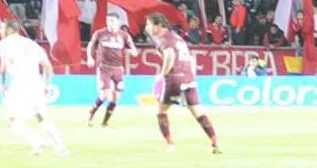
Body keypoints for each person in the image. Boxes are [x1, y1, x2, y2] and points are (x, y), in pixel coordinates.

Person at [146, 13, 220, 153]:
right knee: (198, 113)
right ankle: (215, 143)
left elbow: (170, 55)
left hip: (174, 78)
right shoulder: (177, 37)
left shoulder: (164, 39)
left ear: (158, 25)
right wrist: (192, 75)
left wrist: (161, 75)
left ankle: (170, 145)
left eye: (149, 24)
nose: (147, 27)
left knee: (160, 111)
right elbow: (191, 58)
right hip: (188, 78)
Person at [0, 20, 69, 156]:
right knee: (40, 116)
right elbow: (47, 66)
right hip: (36, 82)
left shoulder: (3, 44)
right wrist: (46, 85)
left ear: (10, 29)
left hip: (19, 83)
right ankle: (61, 148)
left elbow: (3, 67)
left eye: (1, 28)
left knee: (11, 119)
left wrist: (2, 85)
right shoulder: (32, 44)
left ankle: (36, 140)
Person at [85, 13, 138, 127]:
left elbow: (133, 48)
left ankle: (105, 122)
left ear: (118, 22)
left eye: (113, 20)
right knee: (104, 93)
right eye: (108, 20)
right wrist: (89, 57)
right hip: (104, 67)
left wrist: (133, 51)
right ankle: (91, 113)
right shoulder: (100, 33)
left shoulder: (124, 35)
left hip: (118, 69)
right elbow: (90, 45)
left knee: (116, 96)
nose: (110, 23)